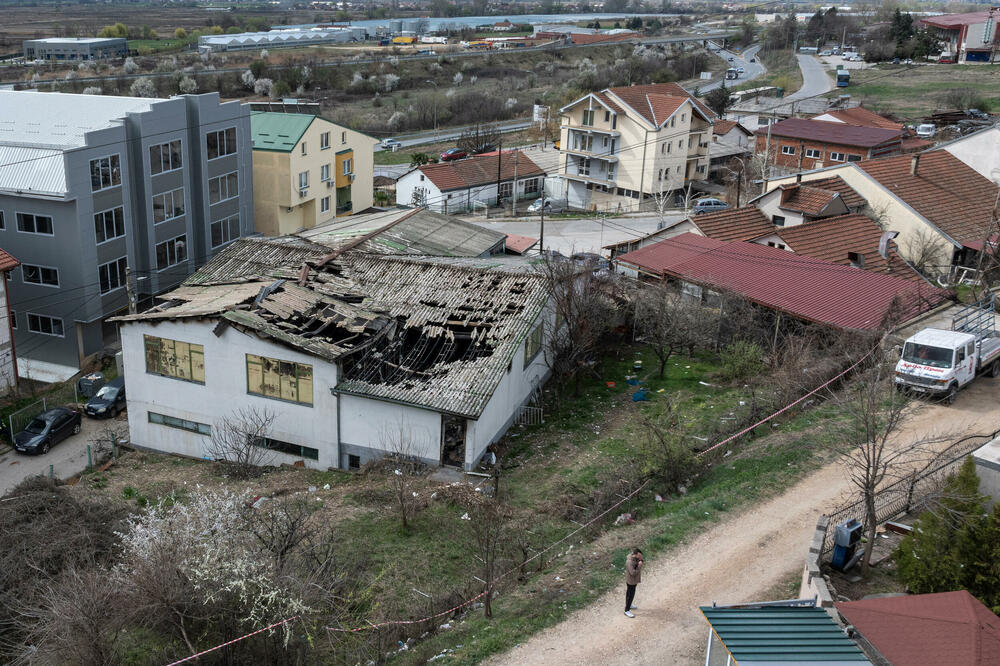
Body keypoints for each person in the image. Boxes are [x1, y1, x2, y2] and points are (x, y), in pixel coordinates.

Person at [624, 548, 643, 618]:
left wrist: (640, 560)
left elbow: (640, 561)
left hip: (634, 580)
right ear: (636, 554)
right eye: (639, 555)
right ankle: (626, 610)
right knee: (630, 594)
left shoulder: (635, 558)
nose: (640, 557)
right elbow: (632, 573)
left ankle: (629, 604)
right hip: (631, 581)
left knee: (630, 593)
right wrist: (639, 566)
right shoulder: (629, 562)